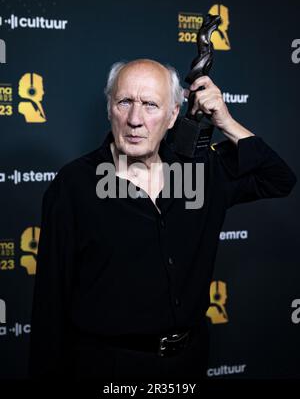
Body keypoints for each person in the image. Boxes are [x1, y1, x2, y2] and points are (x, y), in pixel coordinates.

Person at [29, 58, 296, 382]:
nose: (135, 119)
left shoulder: (200, 172)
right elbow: (50, 305)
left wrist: (225, 121)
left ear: (173, 116)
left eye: (151, 105)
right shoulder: (74, 186)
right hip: (106, 370)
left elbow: (278, 178)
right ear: (109, 108)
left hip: (188, 366)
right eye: (124, 102)